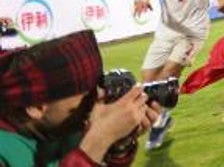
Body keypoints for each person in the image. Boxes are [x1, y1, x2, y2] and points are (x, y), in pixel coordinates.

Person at [0, 30, 161, 167]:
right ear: (36, 106)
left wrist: (120, 143)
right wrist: (99, 140)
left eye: (99, 84)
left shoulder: (63, 126)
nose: (100, 95)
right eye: (86, 92)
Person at [132, 0, 224, 149]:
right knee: (148, 80)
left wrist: (222, 0)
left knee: (167, 76)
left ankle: (159, 123)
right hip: (166, 31)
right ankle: (161, 120)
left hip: (193, 33)